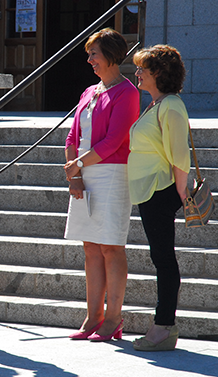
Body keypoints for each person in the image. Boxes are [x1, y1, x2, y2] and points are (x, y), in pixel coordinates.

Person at [63, 28, 140, 341]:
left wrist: (78, 165)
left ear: (111, 55)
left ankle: (113, 319)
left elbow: (115, 140)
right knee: (90, 248)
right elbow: (72, 137)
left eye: (94, 53)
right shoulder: (89, 92)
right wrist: (76, 175)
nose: (90, 60)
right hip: (85, 172)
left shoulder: (128, 92)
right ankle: (93, 316)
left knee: (110, 246)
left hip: (111, 173)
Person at [129, 45, 190, 351]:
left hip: (161, 190)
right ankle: (163, 326)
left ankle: (163, 327)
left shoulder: (171, 106)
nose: (137, 73)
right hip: (150, 190)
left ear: (159, 74)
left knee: (163, 259)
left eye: (143, 68)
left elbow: (180, 156)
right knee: (160, 257)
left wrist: (180, 193)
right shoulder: (156, 104)